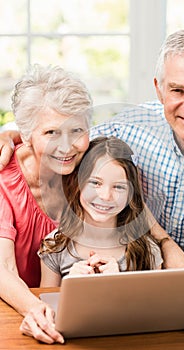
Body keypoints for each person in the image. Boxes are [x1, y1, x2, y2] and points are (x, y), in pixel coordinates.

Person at [1, 29, 184, 332]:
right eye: (177, 90)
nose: (68, 146)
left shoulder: (87, 157)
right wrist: (11, 131)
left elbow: (154, 234)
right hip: (28, 311)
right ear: (159, 89)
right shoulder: (14, 171)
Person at [0, 64, 93, 344]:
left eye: (76, 130)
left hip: (77, 317)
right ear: (25, 135)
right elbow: (3, 268)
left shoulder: (93, 170)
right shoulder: (4, 179)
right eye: (51, 133)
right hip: (18, 313)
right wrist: (34, 308)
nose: (66, 147)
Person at [38, 136, 163, 288]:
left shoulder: (146, 250)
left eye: (118, 187)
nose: (105, 196)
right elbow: (46, 305)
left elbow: (152, 309)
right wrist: (69, 286)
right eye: (95, 183)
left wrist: (119, 286)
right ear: (77, 183)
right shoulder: (55, 246)